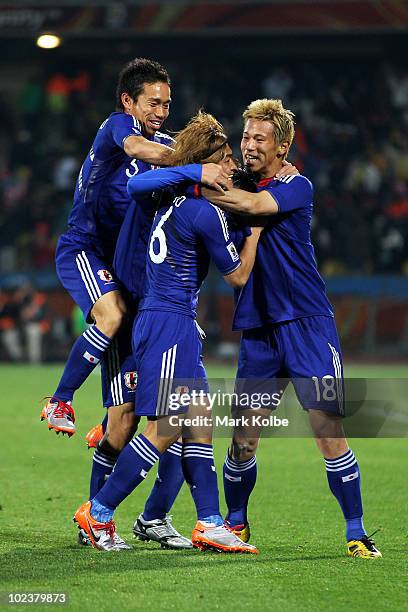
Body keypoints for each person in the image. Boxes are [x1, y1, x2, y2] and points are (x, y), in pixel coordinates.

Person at [42, 58, 229, 550]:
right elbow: (141, 157)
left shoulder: (168, 151)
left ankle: (135, 517)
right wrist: (192, 165)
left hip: (138, 288)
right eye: (154, 103)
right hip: (88, 251)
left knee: (135, 416)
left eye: (168, 104)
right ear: (128, 101)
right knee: (111, 318)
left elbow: (180, 168)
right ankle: (60, 400)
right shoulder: (120, 130)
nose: (162, 112)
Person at [201, 98, 382, 559]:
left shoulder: (295, 185)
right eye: (245, 137)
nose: (249, 145)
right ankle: (236, 525)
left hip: (306, 323)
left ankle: (356, 532)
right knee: (244, 436)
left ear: (282, 147)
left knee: (327, 430)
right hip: (259, 327)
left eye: (260, 138)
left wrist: (196, 185)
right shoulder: (235, 180)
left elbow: (254, 203)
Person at [73, 111, 261, 553]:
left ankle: (210, 522)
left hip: (162, 320)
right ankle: (97, 512)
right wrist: (253, 232)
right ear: (206, 162)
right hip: (170, 323)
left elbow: (142, 185)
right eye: (225, 158)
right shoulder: (203, 210)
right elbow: (236, 276)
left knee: (198, 422)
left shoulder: (170, 200)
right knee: (166, 426)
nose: (231, 165)